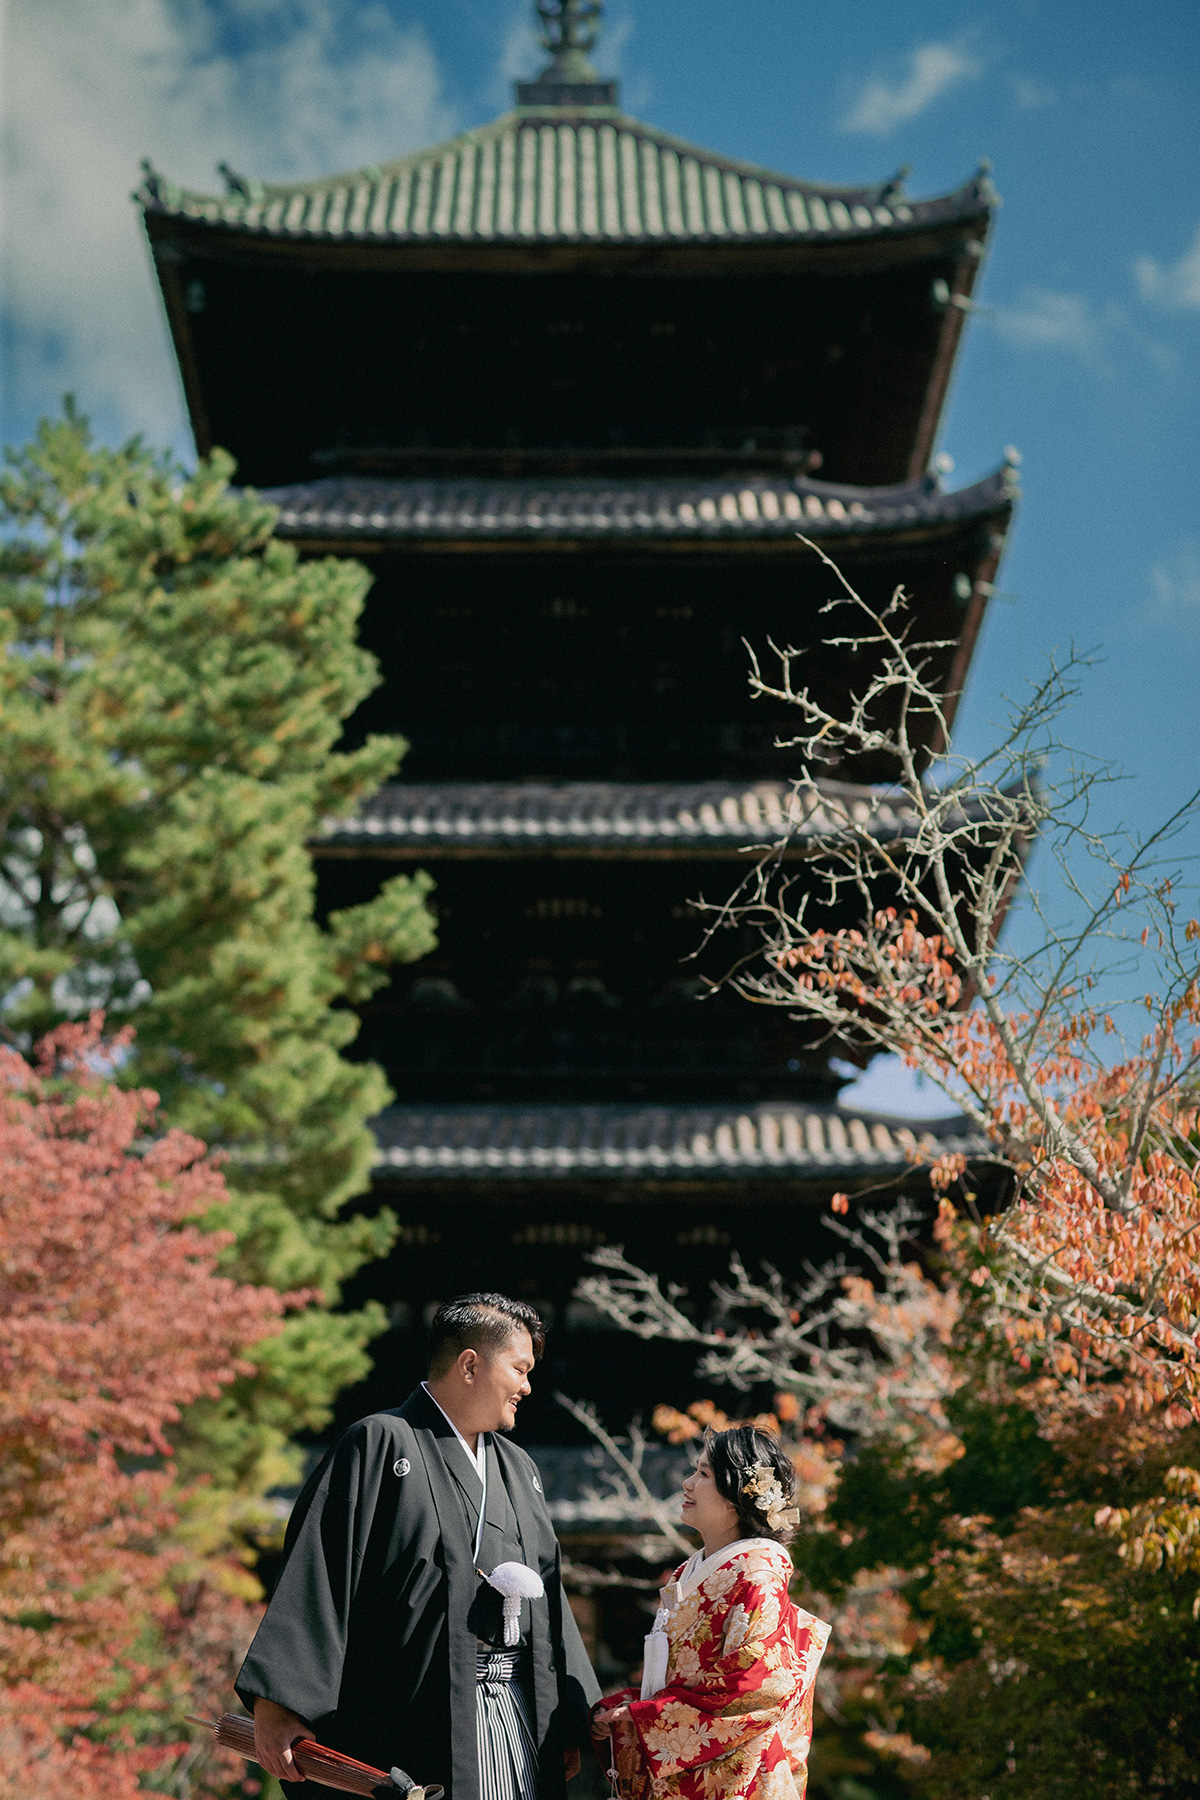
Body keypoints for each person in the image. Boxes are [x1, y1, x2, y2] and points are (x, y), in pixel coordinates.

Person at [237, 1293, 599, 1800]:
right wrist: (278, 1707)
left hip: (518, 1717)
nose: (527, 1386)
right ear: (469, 1365)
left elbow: (551, 1604)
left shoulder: (520, 1470)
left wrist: (566, 1719)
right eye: (519, 1369)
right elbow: (320, 1575)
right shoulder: (379, 1444)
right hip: (411, 1719)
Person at [590, 1427, 830, 1800]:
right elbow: (689, 1685)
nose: (687, 1483)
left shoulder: (758, 1574)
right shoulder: (693, 1570)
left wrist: (649, 1718)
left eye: (703, 1474)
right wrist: (631, 1708)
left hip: (736, 1778)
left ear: (737, 1495)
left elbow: (757, 1689)